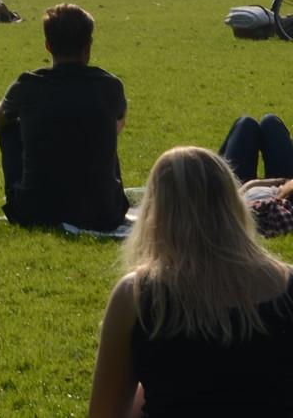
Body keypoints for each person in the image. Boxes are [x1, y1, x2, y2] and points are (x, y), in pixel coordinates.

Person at [87, 146, 293, 417]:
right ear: (233, 205)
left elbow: (104, 412)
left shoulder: (136, 294)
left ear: (155, 213)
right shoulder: (286, 282)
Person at [0, 2, 128, 232]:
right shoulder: (109, 86)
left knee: (10, 129)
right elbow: (118, 124)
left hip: (35, 210)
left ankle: (22, 193)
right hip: (103, 211)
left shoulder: (28, 85)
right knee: (104, 130)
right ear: (88, 47)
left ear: (48, 45)